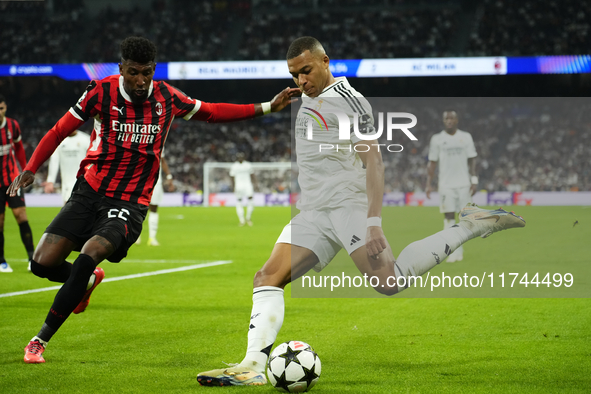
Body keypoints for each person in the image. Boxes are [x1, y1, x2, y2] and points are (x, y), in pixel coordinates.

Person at [197, 36, 526, 387]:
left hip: (348, 207)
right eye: (294, 75)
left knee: (389, 282)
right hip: (312, 211)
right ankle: (250, 367)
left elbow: (375, 162)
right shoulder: (304, 98)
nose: (301, 81)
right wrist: (272, 106)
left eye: (306, 71)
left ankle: (473, 225)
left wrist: (373, 223)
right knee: (266, 278)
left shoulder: (351, 103)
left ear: (326, 61)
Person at [8, 36, 299, 364]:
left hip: (130, 201)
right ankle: (86, 281)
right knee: (40, 263)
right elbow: (59, 130)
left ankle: (39, 340)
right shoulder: (99, 92)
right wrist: (31, 167)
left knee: (90, 254)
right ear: (121, 69)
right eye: (133, 72)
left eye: (146, 72)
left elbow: (213, 112)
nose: (140, 80)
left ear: (153, 70)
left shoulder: (166, 98)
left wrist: (266, 107)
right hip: (88, 190)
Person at [425, 111, 478, 262]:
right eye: (446, 118)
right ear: (443, 121)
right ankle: (450, 250)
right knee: (448, 217)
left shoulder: (465, 137)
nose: (449, 121)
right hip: (446, 185)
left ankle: (458, 250)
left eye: (452, 118)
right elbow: (432, 162)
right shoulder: (437, 139)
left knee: (463, 219)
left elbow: (472, 159)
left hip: (463, 184)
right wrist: (429, 184)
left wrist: (474, 179)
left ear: (457, 120)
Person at [0, 94, 35, 273]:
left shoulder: (13, 125)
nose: (0, 112)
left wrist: (24, 170)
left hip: (12, 180)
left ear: (5, 108)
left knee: (22, 217)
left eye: (1, 108)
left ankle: (32, 258)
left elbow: (19, 148)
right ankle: (1, 261)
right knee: (0, 222)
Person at [44, 130, 91, 204]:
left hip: (83, 181)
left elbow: (92, 160)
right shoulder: (59, 140)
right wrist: (50, 180)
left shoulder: (86, 139)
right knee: (68, 207)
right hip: (66, 183)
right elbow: (54, 160)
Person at [136, 154, 173, 246]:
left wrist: (169, 176)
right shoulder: (158, 141)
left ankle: (150, 238)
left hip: (150, 181)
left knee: (150, 209)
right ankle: (142, 237)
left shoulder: (157, 141)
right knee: (140, 208)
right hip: (143, 180)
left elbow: (162, 160)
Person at [230, 152, 257, 226]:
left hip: (248, 185)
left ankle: (248, 217)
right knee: (239, 201)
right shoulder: (234, 166)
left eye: (241, 157)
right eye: (239, 157)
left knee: (250, 199)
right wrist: (233, 187)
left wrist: (255, 184)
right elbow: (232, 177)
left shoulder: (248, 165)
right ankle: (241, 220)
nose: (240, 158)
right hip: (238, 186)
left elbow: (252, 175)